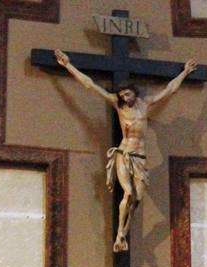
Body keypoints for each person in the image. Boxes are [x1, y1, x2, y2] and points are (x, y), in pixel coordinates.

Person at [53, 49, 197, 252]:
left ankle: (123, 234)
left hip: (140, 157)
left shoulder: (145, 104)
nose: (124, 98)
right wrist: (68, 65)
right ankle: (120, 233)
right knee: (128, 194)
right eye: (121, 95)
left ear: (134, 92)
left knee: (137, 198)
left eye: (127, 94)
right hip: (124, 153)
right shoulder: (118, 105)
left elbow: (169, 90)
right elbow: (90, 85)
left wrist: (185, 72)